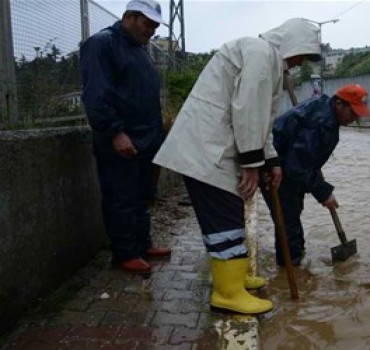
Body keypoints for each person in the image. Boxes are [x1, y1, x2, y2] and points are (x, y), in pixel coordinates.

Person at [153, 18, 322, 314]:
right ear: (291, 44)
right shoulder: (260, 53)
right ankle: (228, 293)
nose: (298, 64)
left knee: (230, 213)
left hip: (213, 148)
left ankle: (235, 275)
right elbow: (246, 110)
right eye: (300, 55)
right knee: (224, 217)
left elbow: (262, 121)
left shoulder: (265, 59)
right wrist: (251, 164)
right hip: (207, 150)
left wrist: (273, 161)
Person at [80, 0, 171, 275]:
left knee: (142, 195)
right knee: (120, 195)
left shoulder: (139, 49)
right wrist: (115, 132)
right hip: (120, 138)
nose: (152, 31)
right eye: (147, 23)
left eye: (155, 25)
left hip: (146, 137)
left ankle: (142, 244)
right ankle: (124, 253)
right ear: (128, 17)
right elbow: (97, 93)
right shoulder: (102, 44)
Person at [259, 84, 370, 267]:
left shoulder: (325, 111)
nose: (355, 118)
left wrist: (319, 185)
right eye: (353, 112)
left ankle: (296, 261)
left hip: (288, 166)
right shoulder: (320, 121)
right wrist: (323, 192)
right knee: (288, 222)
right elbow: (297, 165)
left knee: (292, 216)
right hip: (275, 169)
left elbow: (306, 158)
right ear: (339, 104)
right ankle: (291, 270)